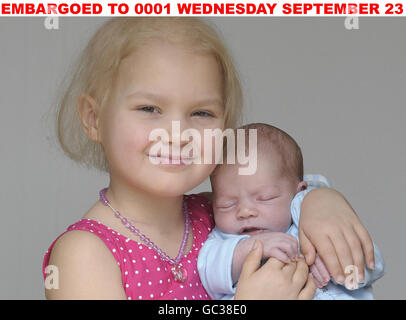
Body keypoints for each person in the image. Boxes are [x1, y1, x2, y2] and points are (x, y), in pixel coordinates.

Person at [42, 17, 376, 300]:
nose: (177, 133)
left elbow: (279, 190)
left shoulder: (219, 212)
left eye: (201, 113)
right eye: (149, 108)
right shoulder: (82, 255)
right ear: (94, 118)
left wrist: (318, 199)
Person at [198, 123, 385, 299]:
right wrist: (249, 248)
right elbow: (209, 272)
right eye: (226, 205)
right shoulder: (222, 240)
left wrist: (335, 264)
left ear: (298, 192)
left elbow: (372, 264)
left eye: (265, 198)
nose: (245, 211)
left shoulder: (310, 217)